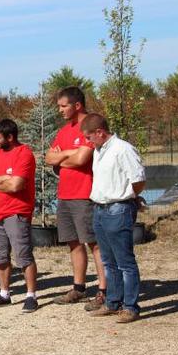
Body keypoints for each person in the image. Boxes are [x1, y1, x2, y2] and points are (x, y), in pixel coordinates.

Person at [45, 86, 107, 309]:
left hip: (84, 195)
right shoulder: (64, 130)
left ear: (77, 105)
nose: (60, 110)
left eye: (64, 106)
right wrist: (68, 155)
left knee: (94, 243)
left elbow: (82, 160)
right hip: (65, 195)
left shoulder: (91, 125)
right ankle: (79, 287)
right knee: (73, 243)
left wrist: (63, 157)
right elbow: (48, 158)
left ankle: (104, 290)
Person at [82, 114, 145, 323]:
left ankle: (130, 306)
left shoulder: (122, 149)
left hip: (118, 208)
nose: (88, 142)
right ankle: (113, 301)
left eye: (89, 137)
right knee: (108, 261)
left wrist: (130, 196)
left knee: (124, 261)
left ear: (100, 132)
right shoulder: (99, 151)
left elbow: (137, 179)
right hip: (100, 209)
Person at [0, 119, 39, 312]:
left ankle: (31, 295)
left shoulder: (25, 154)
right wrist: (5, 178)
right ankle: (4, 294)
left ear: (10, 137)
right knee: (0, 256)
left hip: (17, 212)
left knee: (23, 255)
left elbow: (16, 185)